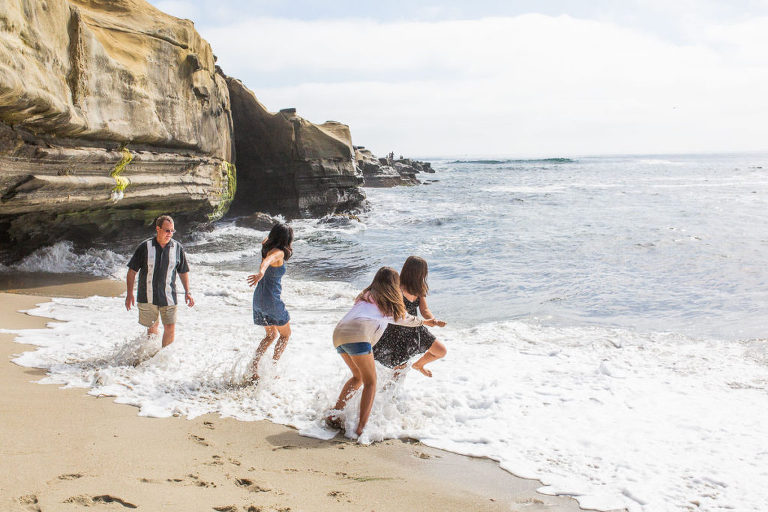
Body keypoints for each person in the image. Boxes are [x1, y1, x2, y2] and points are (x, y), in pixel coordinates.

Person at [328, 267, 441, 436]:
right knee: (370, 382)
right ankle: (361, 429)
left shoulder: (365, 296)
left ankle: (334, 414)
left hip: (338, 334)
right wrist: (425, 322)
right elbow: (404, 319)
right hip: (357, 336)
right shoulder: (387, 302)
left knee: (358, 377)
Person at [125, 215, 194, 347]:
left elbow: (183, 271)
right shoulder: (145, 247)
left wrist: (187, 292)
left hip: (169, 296)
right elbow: (132, 271)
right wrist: (129, 294)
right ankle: (151, 357)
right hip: (147, 295)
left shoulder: (177, 248)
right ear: (158, 229)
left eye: (172, 231)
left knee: (170, 327)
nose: (170, 234)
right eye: (167, 230)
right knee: (152, 327)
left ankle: (162, 359)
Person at [373, 256, 447, 377]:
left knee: (441, 351)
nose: (424, 275)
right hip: (396, 332)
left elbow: (424, 309)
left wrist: (433, 320)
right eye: (423, 272)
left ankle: (418, 365)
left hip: (416, 327)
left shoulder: (419, 289)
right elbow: (394, 313)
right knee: (399, 372)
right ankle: (388, 394)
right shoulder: (397, 288)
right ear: (415, 272)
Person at [246, 223, 293, 381]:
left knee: (271, 335)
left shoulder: (266, 246)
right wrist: (261, 271)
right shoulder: (278, 253)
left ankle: (254, 366)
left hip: (259, 298)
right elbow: (268, 261)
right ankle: (273, 367)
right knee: (285, 335)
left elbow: (266, 244)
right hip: (272, 300)